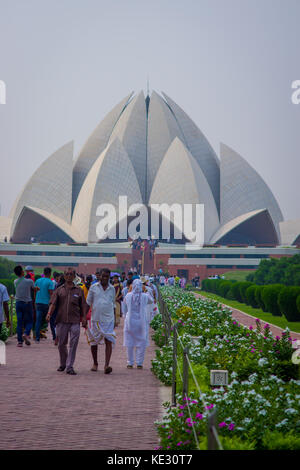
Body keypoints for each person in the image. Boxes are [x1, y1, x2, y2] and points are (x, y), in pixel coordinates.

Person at [46, 268, 88, 375]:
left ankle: (70, 366)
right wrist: (49, 313)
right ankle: (63, 363)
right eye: (67, 274)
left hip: (74, 321)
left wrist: (84, 318)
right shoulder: (59, 290)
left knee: (73, 343)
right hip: (61, 320)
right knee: (61, 344)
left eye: (71, 274)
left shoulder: (79, 290)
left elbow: (83, 305)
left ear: (74, 276)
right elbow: (53, 303)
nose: (69, 276)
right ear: (64, 276)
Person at [85, 268, 116, 374]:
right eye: (103, 276)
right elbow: (88, 303)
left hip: (109, 319)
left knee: (109, 340)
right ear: (99, 276)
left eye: (107, 276)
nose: (104, 278)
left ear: (109, 277)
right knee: (94, 342)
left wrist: (115, 319)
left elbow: (113, 304)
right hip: (96, 319)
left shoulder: (112, 288)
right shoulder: (93, 287)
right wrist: (84, 317)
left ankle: (107, 365)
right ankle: (95, 363)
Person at [123, 279, 153, 369]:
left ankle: (130, 362)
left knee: (130, 343)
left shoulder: (128, 295)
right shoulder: (145, 296)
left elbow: (124, 306)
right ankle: (139, 363)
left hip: (130, 321)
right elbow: (151, 301)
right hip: (141, 322)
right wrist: (146, 291)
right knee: (141, 342)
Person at [14, 265, 36, 347]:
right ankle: (26, 333)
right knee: (30, 321)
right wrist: (36, 288)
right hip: (27, 303)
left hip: (18, 303)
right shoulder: (29, 281)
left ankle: (20, 342)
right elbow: (34, 289)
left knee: (20, 322)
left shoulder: (15, 281)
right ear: (23, 272)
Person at [34, 267, 55, 343]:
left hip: (38, 303)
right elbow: (51, 293)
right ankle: (54, 336)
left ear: (44, 272)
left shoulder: (38, 280)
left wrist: (35, 301)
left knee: (38, 321)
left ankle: (37, 338)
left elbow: (35, 291)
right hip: (47, 304)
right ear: (50, 273)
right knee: (51, 320)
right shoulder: (50, 282)